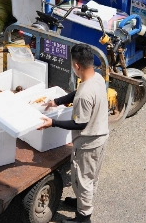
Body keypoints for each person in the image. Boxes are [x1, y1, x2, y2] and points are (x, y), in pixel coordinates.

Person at [37, 43, 109, 223]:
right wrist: (57, 101)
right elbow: (77, 93)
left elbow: (79, 123)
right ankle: (82, 203)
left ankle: (83, 218)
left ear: (77, 66)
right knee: (90, 177)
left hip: (88, 143)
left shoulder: (85, 94)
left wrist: (52, 122)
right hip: (100, 138)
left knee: (83, 179)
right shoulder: (96, 78)